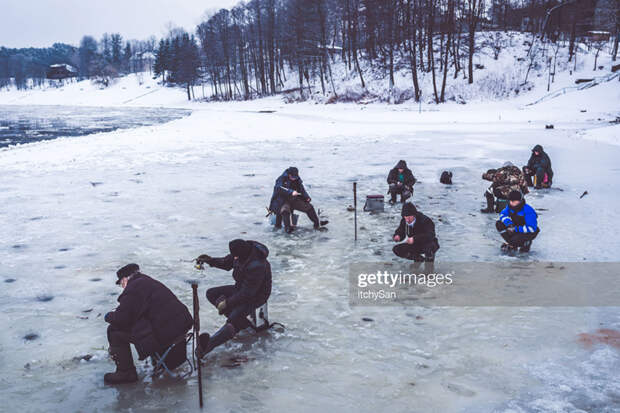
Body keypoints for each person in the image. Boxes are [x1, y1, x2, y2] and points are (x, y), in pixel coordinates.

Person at [104, 264, 193, 384]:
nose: (122, 287)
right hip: (180, 330)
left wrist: (108, 316)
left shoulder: (133, 288)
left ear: (125, 279)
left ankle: (125, 372)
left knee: (113, 330)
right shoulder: (148, 281)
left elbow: (122, 319)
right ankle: (157, 360)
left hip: (165, 336)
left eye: (121, 284)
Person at [194, 239, 272, 359]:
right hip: (241, 288)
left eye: (236, 256)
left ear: (242, 254)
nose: (234, 258)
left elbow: (248, 293)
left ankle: (207, 347)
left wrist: (227, 303)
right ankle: (241, 323)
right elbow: (226, 262)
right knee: (211, 294)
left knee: (232, 319)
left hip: (256, 296)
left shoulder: (257, 265)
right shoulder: (242, 252)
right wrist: (210, 260)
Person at [268, 166, 328, 233]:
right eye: (293, 177)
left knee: (309, 207)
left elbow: (302, 189)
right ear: (289, 175)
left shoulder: (297, 179)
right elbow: (279, 188)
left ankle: (317, 224)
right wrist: (291, 192)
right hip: (282, 201)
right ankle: (288, 229)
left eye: (295, 177)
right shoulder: (281, 178)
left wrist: (307, 197)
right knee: (285, 211)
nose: (294, 178)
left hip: (294, 199)